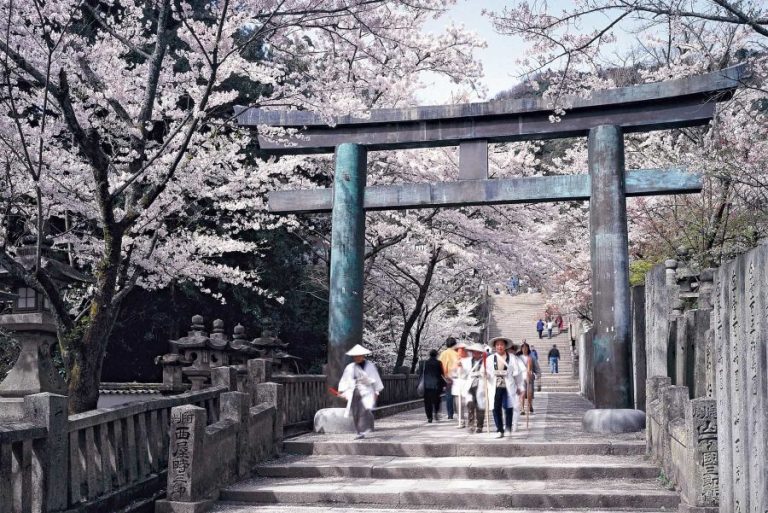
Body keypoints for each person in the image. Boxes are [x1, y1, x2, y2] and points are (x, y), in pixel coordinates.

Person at [338, 344, 384, 439]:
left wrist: (376, 392)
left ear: (363, 356)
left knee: (364, 411)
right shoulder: (350, 367)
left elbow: (376, 380)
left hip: (367, 391)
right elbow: (345, 380)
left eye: (359, 355)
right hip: (354, 391)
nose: (357, 357)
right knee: (355, 412)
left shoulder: (370, 366)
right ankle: (359, 432)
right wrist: (342, 391)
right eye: (355, 356)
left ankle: (363, 431)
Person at [485, 337, 525, 438]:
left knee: (508, 407)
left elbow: (517, 374)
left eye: (501, 344)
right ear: (495, 346)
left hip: (508, 386)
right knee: (496, 408)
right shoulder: (490, 359)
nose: (499, 347)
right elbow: (488, 373)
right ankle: (499, 429)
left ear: (505, 346)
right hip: (495, 386)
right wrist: (486, 375)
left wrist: (520, 386)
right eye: (497, 345)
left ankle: (508, 427)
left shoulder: (512, 358)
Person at [461, 344, 486, 433]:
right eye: (474, 352)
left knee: (480, 406)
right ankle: (471, 425)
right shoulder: (467, 362)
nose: (475, 354)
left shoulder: (485, 362)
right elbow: (463, 375)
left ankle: (480, 426)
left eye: (477, 352)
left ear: (480, 353)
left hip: (481, 385)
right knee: (470, 405)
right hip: (470, 386)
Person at [420, 349, 445, 423]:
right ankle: (436, 413)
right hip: (436, 385)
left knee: (427, 402)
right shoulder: (439, 363)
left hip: (426, 385)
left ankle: (429, 417)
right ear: (436, 355)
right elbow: (442, 373)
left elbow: (420, 373)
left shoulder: (424, 363)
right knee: (437, 400)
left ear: (429, 355)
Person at [438, 337, 459, 420]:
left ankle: (450, 414)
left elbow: (440, 366)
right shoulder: (457, 353)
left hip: (448, 377)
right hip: (458, 377)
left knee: (449, 396)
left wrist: (443, 377)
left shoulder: (444, 353)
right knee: (457, 395)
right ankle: (459, 413)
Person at [451, 342, 470, 428]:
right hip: (457, 385)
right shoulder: (455, 360)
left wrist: (462, 368)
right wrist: (455, 369)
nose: (460, 352)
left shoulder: (470, 360)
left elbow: (468, 373)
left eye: (462, 350)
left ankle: (471, 419)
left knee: (467, 403)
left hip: (466, 384)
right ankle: (461, 421)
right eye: (458, 350)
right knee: (458, 404)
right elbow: (452, 373)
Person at [519, 342, 539, 415]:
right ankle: (522, 408)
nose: (524, 349)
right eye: (523, 348)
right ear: (521, 349)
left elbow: (537, 369)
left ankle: (530, 405)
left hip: (529, 378)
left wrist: (535, 375)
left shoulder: (532, 358)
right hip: (520, 378)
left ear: (528, 349)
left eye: (526, 348)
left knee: (530, 393)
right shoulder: (518, 358)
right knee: (522, 393)